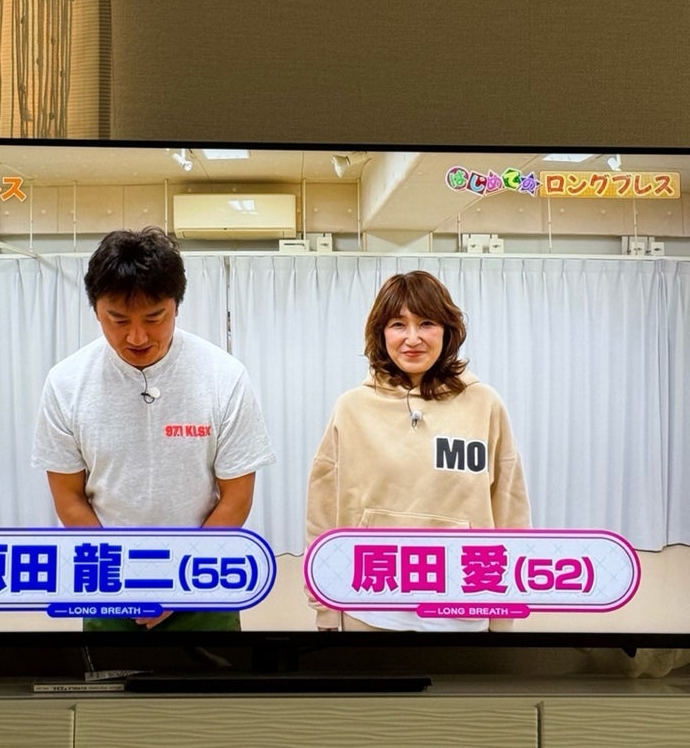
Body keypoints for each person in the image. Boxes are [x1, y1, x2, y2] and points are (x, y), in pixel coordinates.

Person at [32, 227, 275, 631]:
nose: (137, 336)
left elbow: (236, 497)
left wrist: (178, 583)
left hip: (203, 580)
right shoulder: (66, 383)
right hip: (108, 583)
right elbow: (69, 498)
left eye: (154, 318)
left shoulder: (224, 376)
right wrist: (121, 582)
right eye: (118, 319)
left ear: (176, 306)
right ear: (96, 311)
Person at [306, 270, 531, 632]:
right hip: (369, 604)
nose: (412, 338)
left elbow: (509, 508)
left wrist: (503, 614)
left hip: (462, 604)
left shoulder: (484, 404)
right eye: (398, 324)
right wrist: (325, 609)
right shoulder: (351, 408)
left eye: (426, 323)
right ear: (382, 333)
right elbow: (322, 513)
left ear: (447, 330)